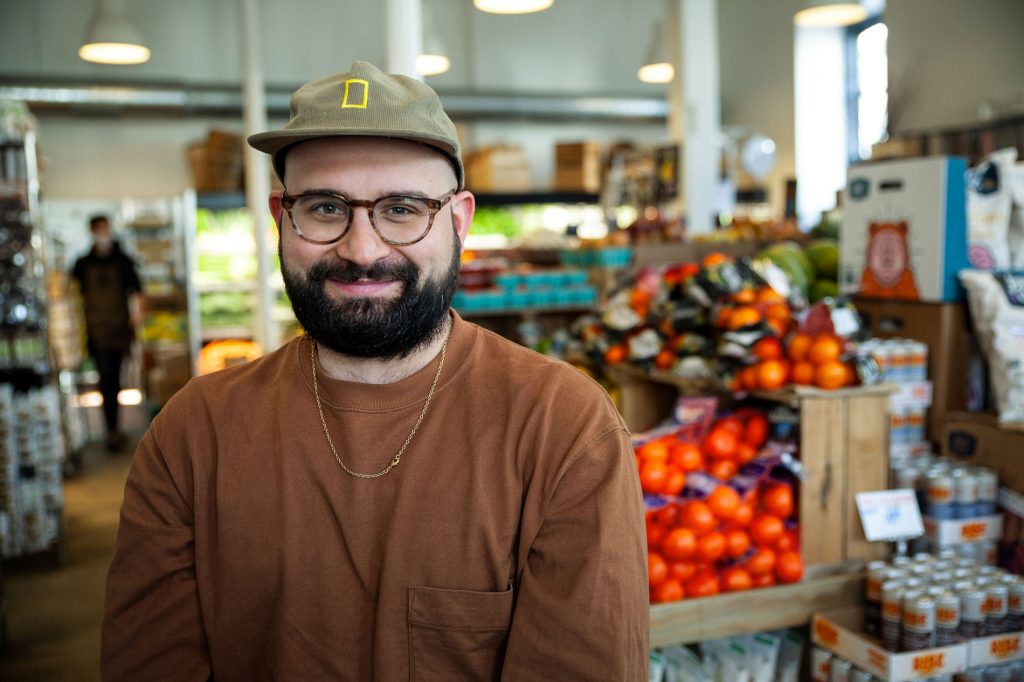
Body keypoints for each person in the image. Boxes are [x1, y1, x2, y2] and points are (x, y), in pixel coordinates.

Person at [102, 61, 648, 680]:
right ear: (282, 217)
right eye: (327, 207)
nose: (362, 250)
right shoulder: (193, 432)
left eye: (402, 208)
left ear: (458, 220)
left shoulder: (563, 426)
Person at [71, 215, 141, 452]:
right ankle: (110, 429)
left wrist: (136, 317)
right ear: (91, 231)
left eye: (104, 229)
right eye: (97, 229)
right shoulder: (82, 264)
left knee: (117, 381)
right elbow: (72, 296)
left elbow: (137, 291)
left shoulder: (123, 261)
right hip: (95, 331)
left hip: (120, 330)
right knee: (104, 379)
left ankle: (116, 427)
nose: (102, 233)